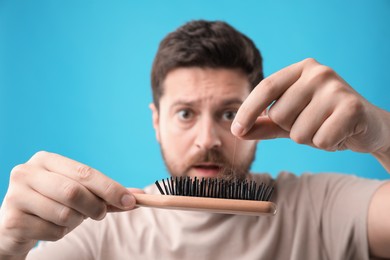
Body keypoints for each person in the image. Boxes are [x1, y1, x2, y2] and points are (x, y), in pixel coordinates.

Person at [0, 20, 389, 260]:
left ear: (261, 115)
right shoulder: (95, 230)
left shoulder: (322, 209)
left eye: (229, 114)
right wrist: (6, 247)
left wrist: (383, 137)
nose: (207, 140)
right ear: (156, 121)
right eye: (186, 113)